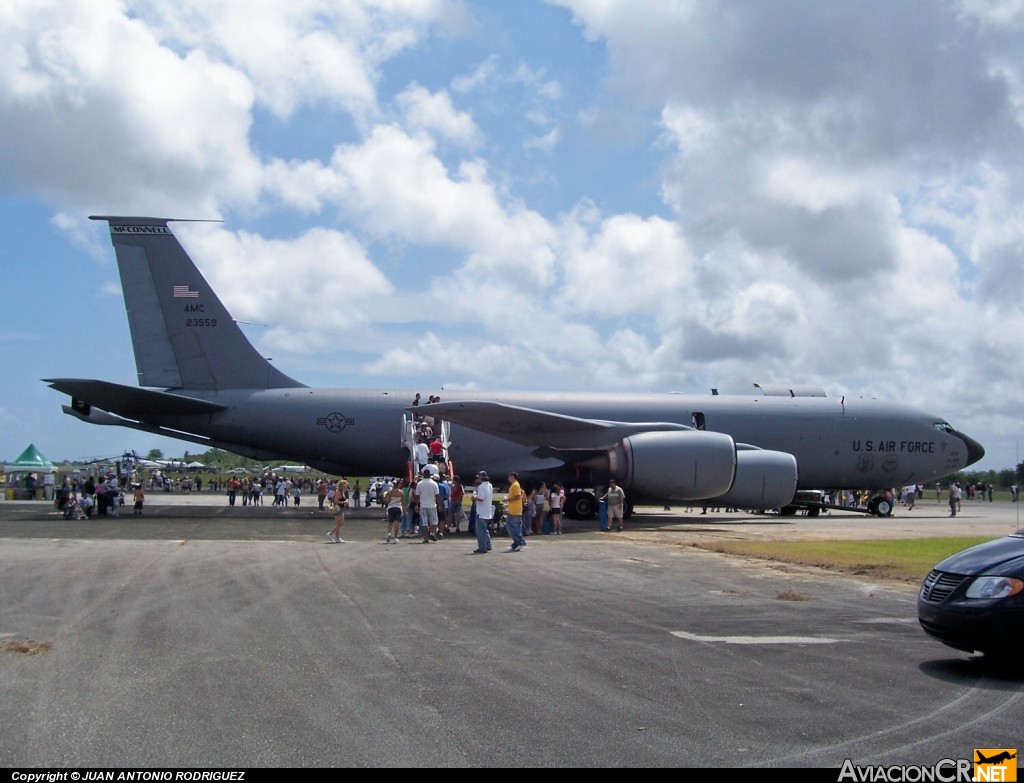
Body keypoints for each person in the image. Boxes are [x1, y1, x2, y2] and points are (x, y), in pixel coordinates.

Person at [415, 468, 441, 542]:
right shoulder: (434, 483)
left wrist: (416, 505)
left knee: (425, 522)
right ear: (430, 475)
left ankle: (426, 537)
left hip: (423, 505)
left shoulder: (419, 484)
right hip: (432, 505)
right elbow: (437, 496)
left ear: (423, 475)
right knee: (434, 521)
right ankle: (433, 532)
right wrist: (439, 505)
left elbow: (417, 496)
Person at [503, 472, 527, 552]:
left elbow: (517, 496)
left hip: (515, 510)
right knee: (514, 527)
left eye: (509, 477)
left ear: (513, 477)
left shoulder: (515, 485)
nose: (508, 478)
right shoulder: (515, 485)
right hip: (513, 509)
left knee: (513, 528)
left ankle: (520, 541)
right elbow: (521, 493)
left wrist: (508, 499)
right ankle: (516, 544)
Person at [471, 471, 493, 554]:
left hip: (481, 511)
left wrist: (474, 497)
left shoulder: (481, 487)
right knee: (485, 529)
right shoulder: (489, 485)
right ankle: (488, 544)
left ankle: (482, 547)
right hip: (487, 510)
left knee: (480, 531)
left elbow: (481, 498)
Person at [328, 479, 350, 543]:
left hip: (341, 509)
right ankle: (337, 538)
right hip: (338, 509)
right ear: (342, 485)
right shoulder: (338, 492)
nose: (346, 486)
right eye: (345, 484)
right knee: (339, 524)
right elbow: (335, 501)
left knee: (340, 524)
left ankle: (331, 534)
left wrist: (346, 501)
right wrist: (344, 502)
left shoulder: (342, 491)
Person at [383, 479, 405, 544]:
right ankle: (395, 537)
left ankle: (389, 533)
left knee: (390, 522)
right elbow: (403, 502)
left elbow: (386, 501)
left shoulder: (389, 492)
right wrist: (405, 509)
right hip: (398, 508)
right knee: (397, 522)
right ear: (398, 485)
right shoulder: (401, 492)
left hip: (390, 508)